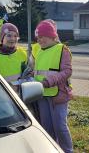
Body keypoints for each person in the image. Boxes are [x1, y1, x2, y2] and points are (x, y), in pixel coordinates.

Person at [33, 20, 73, 153]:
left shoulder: (62, 49)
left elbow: (67, 71)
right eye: (38, 37)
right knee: (47, 127)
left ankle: (67, 150)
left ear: (51, 36)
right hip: (42, 95)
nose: (39, 40)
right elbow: (35, 70)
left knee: (60, 126)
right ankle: (51, 149)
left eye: (42, 36)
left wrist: (48, 81)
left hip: (58, 95)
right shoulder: (39, 51)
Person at [0, 23, 27, 92]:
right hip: (2, 96)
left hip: (20, 97)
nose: (12, 39)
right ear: (2, 38)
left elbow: (27, 74)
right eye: (9, 35)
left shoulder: (22, 53)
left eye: (15, 36)